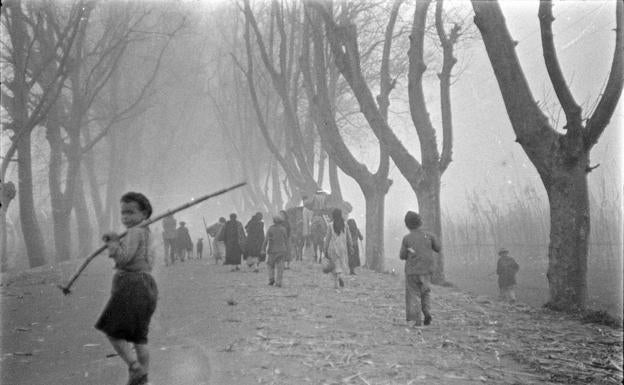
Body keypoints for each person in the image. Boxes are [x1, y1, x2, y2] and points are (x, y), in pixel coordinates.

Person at [95, 192, 158, 385]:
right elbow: (146, 260)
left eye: (130, 212)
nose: (125, 217)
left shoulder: (135, 232)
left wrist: (113, 244)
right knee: (140, 338)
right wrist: (116, 241)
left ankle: (134, 366)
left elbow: (124, 258)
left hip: (131, 286)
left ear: (144, 213)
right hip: (147, 285)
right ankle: (142, 378)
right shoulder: (147, 233)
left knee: (112, 331)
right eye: (123, 213)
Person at [399, 211, 441, 328]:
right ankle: (427, 312)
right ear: (421, 222)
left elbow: (402, 256)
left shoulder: (407, 238)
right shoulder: (430, 236)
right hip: (427, 271)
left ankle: (415, 321)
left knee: (413, 295)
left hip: (412, 272)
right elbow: (438, 248)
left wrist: (409, 251)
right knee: (425, 292)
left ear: (407, 225)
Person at [324, 208, 352, 289]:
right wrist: (350, 246)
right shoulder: (345, 225)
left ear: (333, 215)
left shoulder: (330, 225)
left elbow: (327, 238)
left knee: (334, 265)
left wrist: (325, 249)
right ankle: (340, 276)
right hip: (342, 248)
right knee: (340, 265)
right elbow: (349, 237)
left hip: (333, 248)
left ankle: (336, 282)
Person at [261, 215, 289, 287]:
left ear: (274, 221)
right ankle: (278, 282)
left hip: (272, 250)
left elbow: (266, 240)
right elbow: (286, 240)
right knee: (280, 267)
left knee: (270, 265)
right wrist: (287, 249)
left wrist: (263, 248)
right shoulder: (283, 229)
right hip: (281, 250)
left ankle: (271, 279)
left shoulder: (270, 229)